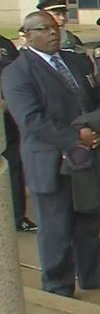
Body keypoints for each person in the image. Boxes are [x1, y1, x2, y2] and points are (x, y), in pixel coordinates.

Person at [2, 10, 100, 296]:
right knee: (56, 227)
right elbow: (31, 120)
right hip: (50, 161)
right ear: (27, 35)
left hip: (87, 156)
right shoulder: (17, 72)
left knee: (88, 221)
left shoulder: (75, 60)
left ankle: (92, 275)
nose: (52, 32)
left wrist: (99, 127)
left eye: (54, 27)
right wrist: (76, 137)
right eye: (43, 29)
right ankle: (58, 285)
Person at [0, 33, 34, 233]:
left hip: (9, 114)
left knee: (12, 163)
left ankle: (17, 216)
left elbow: (16, 71)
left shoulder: (5, 44)